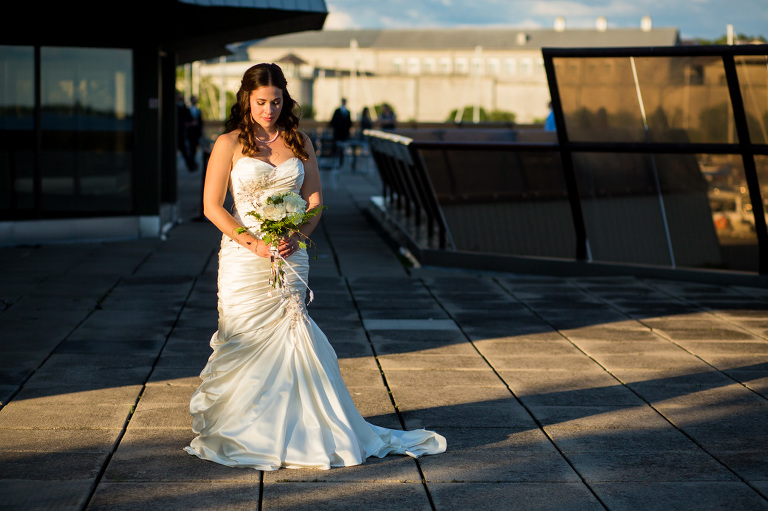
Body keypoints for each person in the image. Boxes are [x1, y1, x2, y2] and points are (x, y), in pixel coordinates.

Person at [184, 63, 446, 471]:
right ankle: (243, 429)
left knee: (292, 339)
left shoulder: (300, 140)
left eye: (276, 101)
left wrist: (298, 235)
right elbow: (212, 206)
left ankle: (300, 431)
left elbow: (315, 202)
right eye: (260, 102)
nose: (269, 110)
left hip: (291, 254)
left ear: (286, 99)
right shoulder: (229, 143)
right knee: (243, 338)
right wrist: (253, 243)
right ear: (246, 100)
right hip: (243, 257)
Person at [329, 97, 352, 167]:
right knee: (337, 149)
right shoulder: (338, 111)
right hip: (338, 134)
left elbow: (349, 123)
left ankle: (340, 163)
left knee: (342, 150)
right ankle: (337, 162)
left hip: (344, 135)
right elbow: (333, 122)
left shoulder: (347, 112)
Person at [186, 95, 204, 170]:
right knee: (191, 148)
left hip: (196, 133)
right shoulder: (187, 110)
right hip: (190, 133)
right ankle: (192, 163)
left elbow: (201, 122)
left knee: (195, 148)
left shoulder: (198, 110)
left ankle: (193, 163)